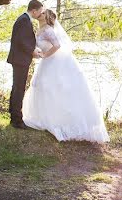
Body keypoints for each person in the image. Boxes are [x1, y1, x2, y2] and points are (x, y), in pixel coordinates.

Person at [23, 9, 109, 143]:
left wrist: (45, 55)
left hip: (54, 63)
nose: (40, 14)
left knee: (58, 90)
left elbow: (57, 45)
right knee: (45, 89)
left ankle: (63, 124)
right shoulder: (40, 30)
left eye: (43, 13)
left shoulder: (48, 30)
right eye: (41, 12)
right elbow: (44, 45)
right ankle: (47, 119)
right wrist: (37, 53)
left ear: (48, 17)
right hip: (46, 63)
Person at [5, 0, 44, 128]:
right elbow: (21, 41)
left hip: (19, 59)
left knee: (17, 87)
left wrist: (32, 50)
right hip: (20, 60)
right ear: (34, 10)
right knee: (19, 88)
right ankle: (17, 120)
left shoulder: (24, 20)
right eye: (40, 11)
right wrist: (32, 51)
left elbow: (24, 40)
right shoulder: (24, 21)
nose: (40, 14)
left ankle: (13, 115)